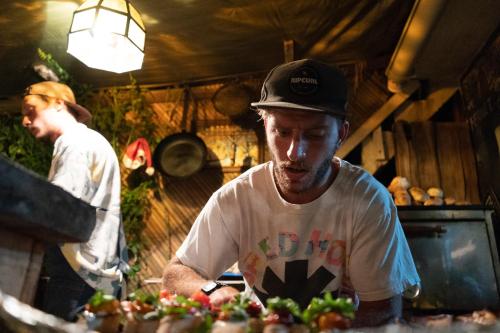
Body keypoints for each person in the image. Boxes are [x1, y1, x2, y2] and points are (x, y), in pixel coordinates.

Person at [162, 59, 420, 327]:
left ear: (341, 134)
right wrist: (212, 292)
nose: (294, 153)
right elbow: (175, 274)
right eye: (282, 132)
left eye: (316, 134)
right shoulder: (236, 198)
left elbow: (384, 308)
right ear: (265, 126)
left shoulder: (368, 200)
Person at [21, 81, 129, 321]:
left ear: (59, 104)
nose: (25, 121)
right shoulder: (84, 141)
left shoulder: (75, 144)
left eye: (30, 110)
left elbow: (60, 208)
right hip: (90, 269)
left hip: (79, 271)